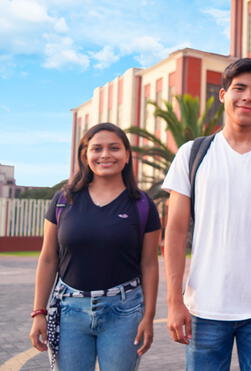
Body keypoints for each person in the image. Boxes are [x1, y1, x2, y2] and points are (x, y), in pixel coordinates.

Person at [162, 58, 251, 371]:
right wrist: (174, 301)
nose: (248, 97)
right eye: (239, 88)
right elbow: (173, 232)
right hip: (206, 308)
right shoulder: (192, 154)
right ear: (223, 94)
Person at [29, 122, 161, 371]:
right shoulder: (63, 200)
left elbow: (149, 264)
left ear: (126, 154)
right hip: (69, 311)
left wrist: (149, 316)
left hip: (124, 312)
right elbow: (48, 258)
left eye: (114, 148)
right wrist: (39, 312)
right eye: (97, 148)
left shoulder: (142, 205)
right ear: (85, 155)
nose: (105, 155)